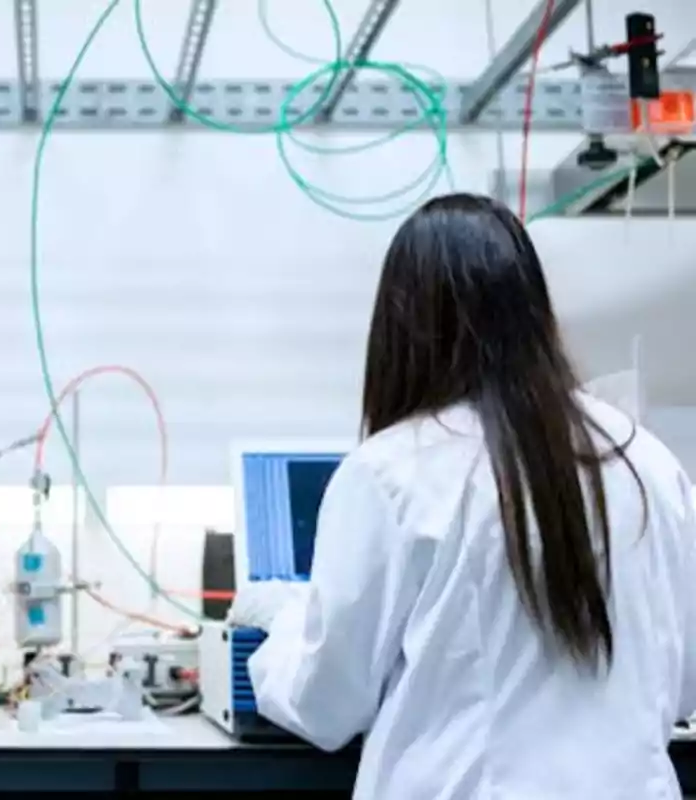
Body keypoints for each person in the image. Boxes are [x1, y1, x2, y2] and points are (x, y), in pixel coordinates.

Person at [237, 193, 696, 799]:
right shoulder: (646, 462)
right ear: (534, 310)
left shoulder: (394, 472)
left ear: (402, 325)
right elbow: (685, 682)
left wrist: (278, 626)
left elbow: (326, 704)